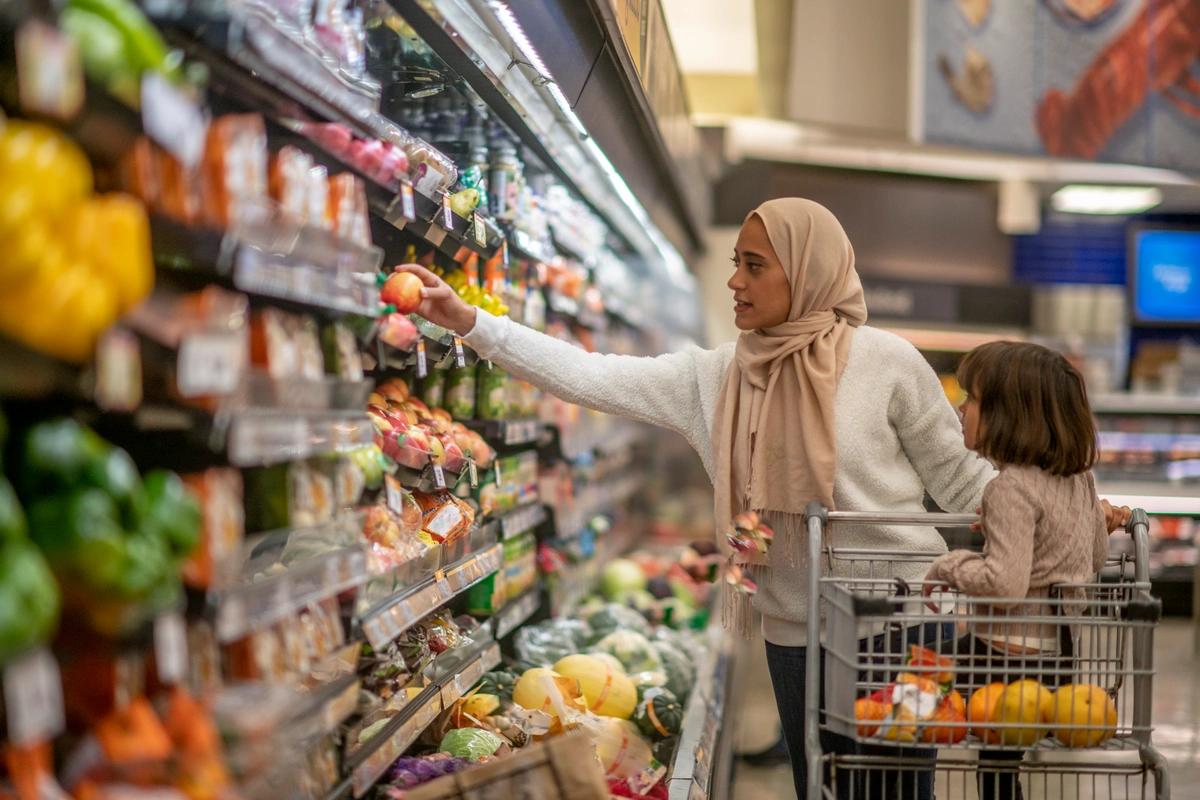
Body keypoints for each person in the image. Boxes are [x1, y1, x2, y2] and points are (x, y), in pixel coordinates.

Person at [398, 198, 1121, 798]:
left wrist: (1078, 511)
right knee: (818, 784)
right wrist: (471, 322)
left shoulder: (887, 363)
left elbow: (970, 483)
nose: (735, 282)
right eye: (736, 264)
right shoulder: (713, 378)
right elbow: (589, 374)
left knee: (894, 786)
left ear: (805, 271)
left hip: (901, 618)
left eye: (754, 265)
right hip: (791, 625)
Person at [922, 341, 1121, 800]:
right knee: (1001, 768)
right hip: (1058, 662)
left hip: (1004, 661)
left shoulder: (1009, 488)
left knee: (915, 681)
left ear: (1008, 416)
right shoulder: (1080, 480)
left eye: (971, 399)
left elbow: (1004, 584)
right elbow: (1092, 558)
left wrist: (951, 565)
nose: (961, 409)